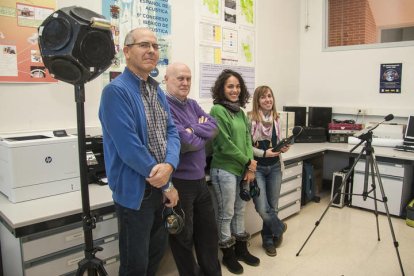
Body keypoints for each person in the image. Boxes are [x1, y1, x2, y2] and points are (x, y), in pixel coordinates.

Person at [98, 27, 180, 276]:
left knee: (155, 256)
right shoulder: (115, 92)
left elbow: (172, 133)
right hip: (136, 195)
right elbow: (129, 147)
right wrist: (166, 183)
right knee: (135, 265)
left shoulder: (156, 91)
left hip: (160, 190)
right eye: (144, 45)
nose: (152, 51)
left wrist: (170, 167)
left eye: (155, 46)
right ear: (126, 51)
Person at [164, 62, 222, 276]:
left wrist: (193, 129)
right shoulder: (165, 107)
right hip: (179, 183)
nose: (185, 82)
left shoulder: (192, 104)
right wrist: (198, 133)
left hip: (199, 180)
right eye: (180, 78)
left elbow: (214, 127)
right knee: (183, 238)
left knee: (208, 234)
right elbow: (184, 142)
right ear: (167, 79)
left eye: (188, 78)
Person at [209, 69, 260, 274]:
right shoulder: (217, 111)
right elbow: (224, 144)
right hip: (224, 170)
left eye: (238, 86)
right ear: (222, 88)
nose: (235, 90)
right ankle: (228, 255)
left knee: (239, 210)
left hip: (243, 169)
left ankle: (240, 250)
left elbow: (248, 139)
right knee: (226, 213)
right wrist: (248, 161)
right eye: (230, 86)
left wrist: (251, 165)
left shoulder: (240, 112)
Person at [247, 85, 290, 257]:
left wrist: (283, 147)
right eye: (263, 97)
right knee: (263, 207)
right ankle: (279, 227)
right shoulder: (250, 119)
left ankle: (268, 239)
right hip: (257, 168)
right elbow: (247, 147)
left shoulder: (277, 119)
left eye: (270, 96)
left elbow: (278, 141)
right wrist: (264, 153)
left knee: (273, 207)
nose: (268, 100)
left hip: (275, 168)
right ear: (257, 101)